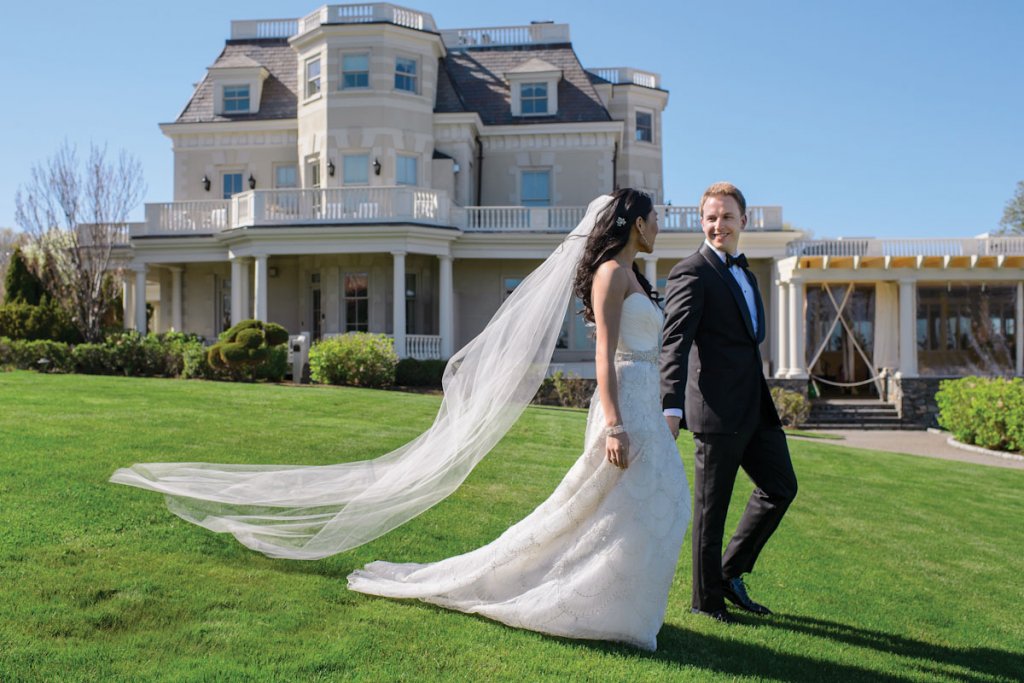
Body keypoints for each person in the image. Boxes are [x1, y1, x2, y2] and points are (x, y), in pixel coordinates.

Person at [111, 189, 690, 651]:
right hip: (623, 406)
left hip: (641, 395)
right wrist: (613, 421)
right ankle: (587, 599)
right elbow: (603, 354)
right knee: (632, 500)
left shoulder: (639, 275)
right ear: (633, 222)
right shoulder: (612, 274)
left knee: (637, 504)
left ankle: (615, 604)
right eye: (654, 215)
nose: (660, 221)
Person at [660, 182, 798, 624]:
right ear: (703, 223)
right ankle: (706, 601)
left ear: (744, 219)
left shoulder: (749, 273)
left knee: (780, 488)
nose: (719, 224)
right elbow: (675, 342)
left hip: (754, 408)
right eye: (711, 217)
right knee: (710, 512)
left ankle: (730, 571)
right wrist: (671, 405)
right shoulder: (691, 272)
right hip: (715, 411)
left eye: (726, 216)